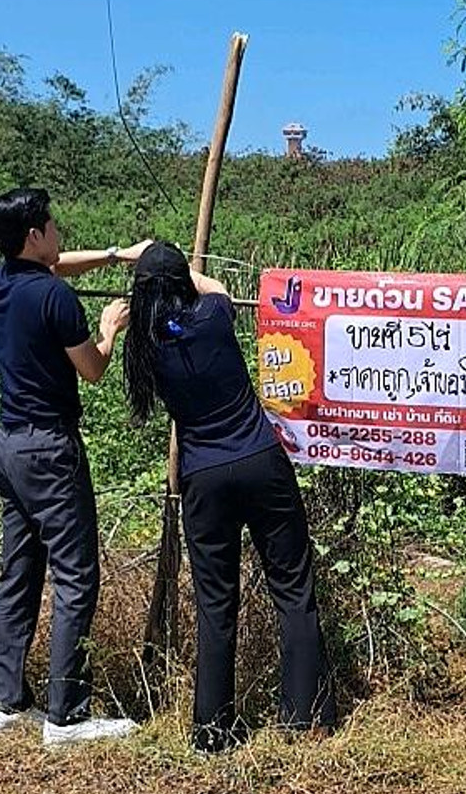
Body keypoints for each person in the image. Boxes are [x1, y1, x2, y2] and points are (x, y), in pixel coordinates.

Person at [124, 240, 335, 751]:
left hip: (203, 478)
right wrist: (163, 265)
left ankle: (212, 730)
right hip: (261, 462)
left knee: (215, 603)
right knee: (292, 588)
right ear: (181, 282)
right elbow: (212, 285)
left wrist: (145, 280)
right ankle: (303, 719)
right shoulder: (214, 316)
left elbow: (167, 302)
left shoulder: (144, 347)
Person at [0, 186, 150, 745]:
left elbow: (53, 266)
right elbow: (94, 370)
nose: (60, 232)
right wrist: (109, 328)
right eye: (52, 225)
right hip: (51, 450)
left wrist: (114, 256)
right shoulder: (58, 301)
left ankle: (7, 704)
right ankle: (67, 715)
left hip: (8, 446)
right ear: (34, 234)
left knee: (19, 573)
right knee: (76, 577)